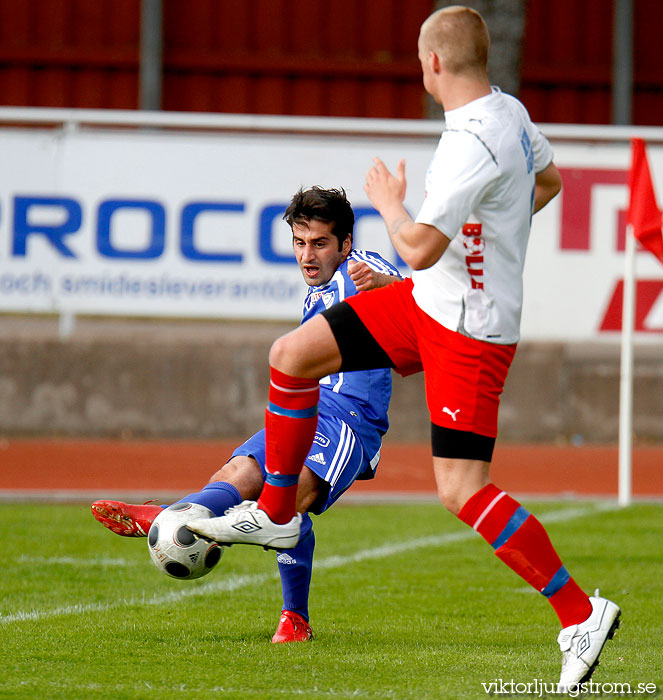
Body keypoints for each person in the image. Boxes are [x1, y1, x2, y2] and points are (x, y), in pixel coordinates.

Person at [186, 6, 621, 689]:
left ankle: (578, 613)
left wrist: (389, 202)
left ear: (434, 65)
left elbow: (416, 246)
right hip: (428, 305)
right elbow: (547, 183)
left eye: (421, 60)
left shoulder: (467, 143)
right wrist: (493, 233)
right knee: (291, 355)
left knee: (461, 489)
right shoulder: (509, 112)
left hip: (466, 330)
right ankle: (274, 514)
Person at [91, 185, 401, 644]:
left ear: (346, 243)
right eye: (300, 243)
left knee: (285, 502)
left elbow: (419, 296)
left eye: (319, 243)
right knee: (237, 473)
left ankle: (173, 519)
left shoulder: (364, 268)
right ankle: (287, 612)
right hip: (309, 408)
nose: (307, 255)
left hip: (350, 421)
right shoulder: (316, 295)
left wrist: (389, 287)